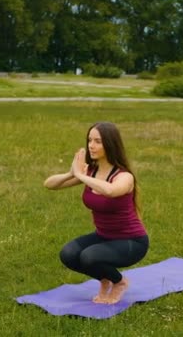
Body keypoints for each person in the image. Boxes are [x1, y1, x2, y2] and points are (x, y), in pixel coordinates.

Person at [43, 121, 149, 305]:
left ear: (110, 144)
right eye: (89, 140)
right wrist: (71, 174)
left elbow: (110, 191)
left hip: (131, 241)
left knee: (89, 257)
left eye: (98, 141)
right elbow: (49, 184)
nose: (91, 145)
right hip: (103, 236)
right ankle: (105, 278)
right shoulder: (91, 172)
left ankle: (119, 282)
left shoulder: (124, 176)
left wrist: (81, 175)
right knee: (68, 254)